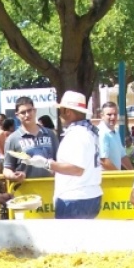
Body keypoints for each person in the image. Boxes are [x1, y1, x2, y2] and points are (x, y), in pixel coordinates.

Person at [24, 90, 102, 219]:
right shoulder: (88, 132)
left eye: (61, 110)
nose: (60, 114)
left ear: (68, 111)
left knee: (69, 239)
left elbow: (77, 169)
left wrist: (47, 163)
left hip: (75, 198)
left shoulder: (78, 134)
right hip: (87, 195)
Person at [2, 95, 59, 186]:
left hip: (51, 186)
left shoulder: (50, 134)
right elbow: (7, 168)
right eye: (23, 112)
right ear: (17, 115)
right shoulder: (12, 139)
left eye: (29, 110)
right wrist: (13, 176)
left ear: (35, 110)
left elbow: (60, 161)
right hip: (25, 189)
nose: (27, 115)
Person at [97, 102, 134, 171]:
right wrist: (118, 175)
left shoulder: (116, 132)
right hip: (105, 179)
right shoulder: (101, 133)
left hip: (114, 178)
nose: (113, 117)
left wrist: (133, 172)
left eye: (115, 114)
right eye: (109, 114)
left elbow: (123, 156)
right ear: (102, 116)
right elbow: (103, 160)